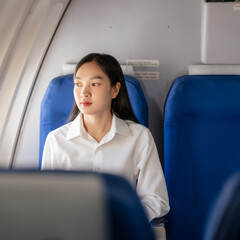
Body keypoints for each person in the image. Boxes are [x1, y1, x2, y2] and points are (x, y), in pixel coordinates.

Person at [41, 53, 170, 223]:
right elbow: (47, 201)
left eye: (94, 84)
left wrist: (120, 218)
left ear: (115, 90)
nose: (84, 93)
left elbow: (157, 200)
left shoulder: (139, 137)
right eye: (78, 84)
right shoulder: (56, 140)